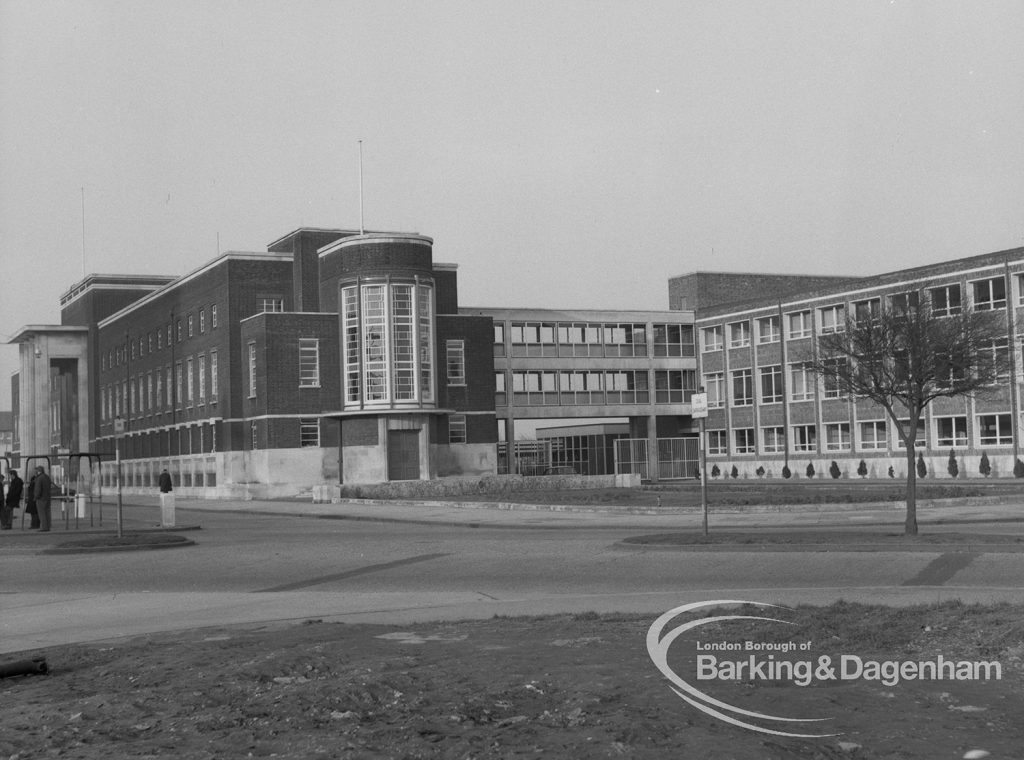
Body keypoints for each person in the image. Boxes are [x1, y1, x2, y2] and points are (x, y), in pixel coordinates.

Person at [33, 465, 53, 532]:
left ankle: (44, 527)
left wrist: (35, 497)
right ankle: (48, 526)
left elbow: (38, 489)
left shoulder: (39, 478)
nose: (35, 472)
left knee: (42, 513)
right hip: (47, 497)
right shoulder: (47, 477)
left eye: (36, 470)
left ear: (39, 471)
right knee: (47, 512)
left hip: (41, 498)